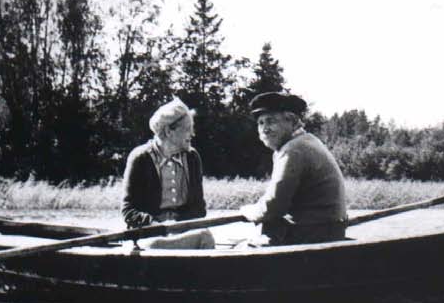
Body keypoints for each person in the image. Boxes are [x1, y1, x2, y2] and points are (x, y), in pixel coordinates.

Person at [239, 92, 348, 246]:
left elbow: (273, 207)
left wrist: (248, 211)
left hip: (311, 235)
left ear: (290, 120)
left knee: (242, 248)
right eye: (260, 123)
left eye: (271, 121)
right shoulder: (308, 141)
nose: (265, 129)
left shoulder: (293, 150)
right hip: (328, 231)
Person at [121, 97, 214, 249]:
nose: (193, 134)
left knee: (205, 237)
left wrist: (179, 225)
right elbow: (128, 210)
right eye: (187, 128)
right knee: (154, 245)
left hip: (183, 230)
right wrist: (156, 225)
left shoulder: (192, 158)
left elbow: (199, 208)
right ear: (169, 131)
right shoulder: (140, 158)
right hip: (150, 233)